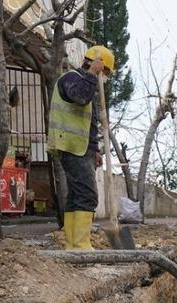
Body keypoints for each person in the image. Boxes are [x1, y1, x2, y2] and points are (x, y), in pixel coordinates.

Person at [48, 45, 114, 250]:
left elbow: (88, 123)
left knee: (77, 195)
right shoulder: (72, 79)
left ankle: (72, 245)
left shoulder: (86, 82)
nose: (106, 77)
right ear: (98, 65)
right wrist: (93, 73)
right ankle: (81, 244)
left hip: (82, 147)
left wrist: (95, 149)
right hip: (71, 145)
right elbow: (80, 97)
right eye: (107, 73)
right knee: (87, 194)